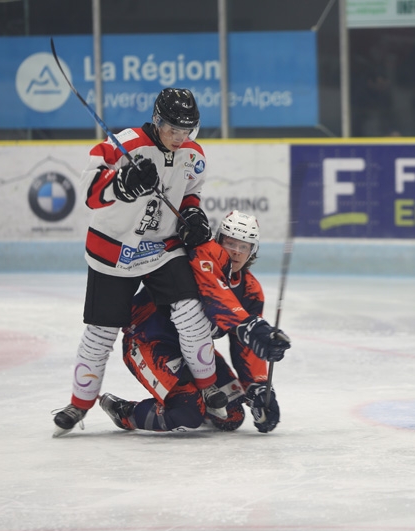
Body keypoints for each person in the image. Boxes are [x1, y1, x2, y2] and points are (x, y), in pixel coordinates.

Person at [52, 88, 226, 437]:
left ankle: (208, 386)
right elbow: (89, 193)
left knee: (190, 312)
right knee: (101, 332)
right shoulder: (123, 144)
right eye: (173, 129)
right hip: (114, 251)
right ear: (157, 120)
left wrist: (192, 214)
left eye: (187, 131)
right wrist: (123, 185)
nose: (180, 138)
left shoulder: (192, 154)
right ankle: (79, 404)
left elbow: (191, 191)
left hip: (162, 247)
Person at [99, 210, 291, 433]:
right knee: (187, 411)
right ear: (218, 241)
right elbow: (218, 301)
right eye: (230, 243)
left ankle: (192, 400)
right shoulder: (200, 260)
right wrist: (252, 327)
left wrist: (258, 387)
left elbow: (245, 347)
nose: (236, 253)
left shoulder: (250, 291)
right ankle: (126, 413)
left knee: (232, 415)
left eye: (244, 247)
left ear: (253, 251)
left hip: (197, 352)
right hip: (149, 340)